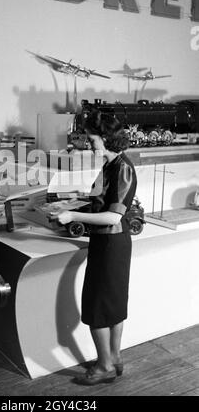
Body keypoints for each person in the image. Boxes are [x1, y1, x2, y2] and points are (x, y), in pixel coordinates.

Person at [56, 111, 137, 385]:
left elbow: (113, 217)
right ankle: (113, 358)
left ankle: (103, 366)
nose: (89, 144)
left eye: (92, 139)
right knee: (111, 305)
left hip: (111, 243)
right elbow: (97, 200)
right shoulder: (109, 165)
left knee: (99, 307)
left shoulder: (123, 168)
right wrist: (70, 202)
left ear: (106, 138)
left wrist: (73, 216)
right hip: (109, 243)